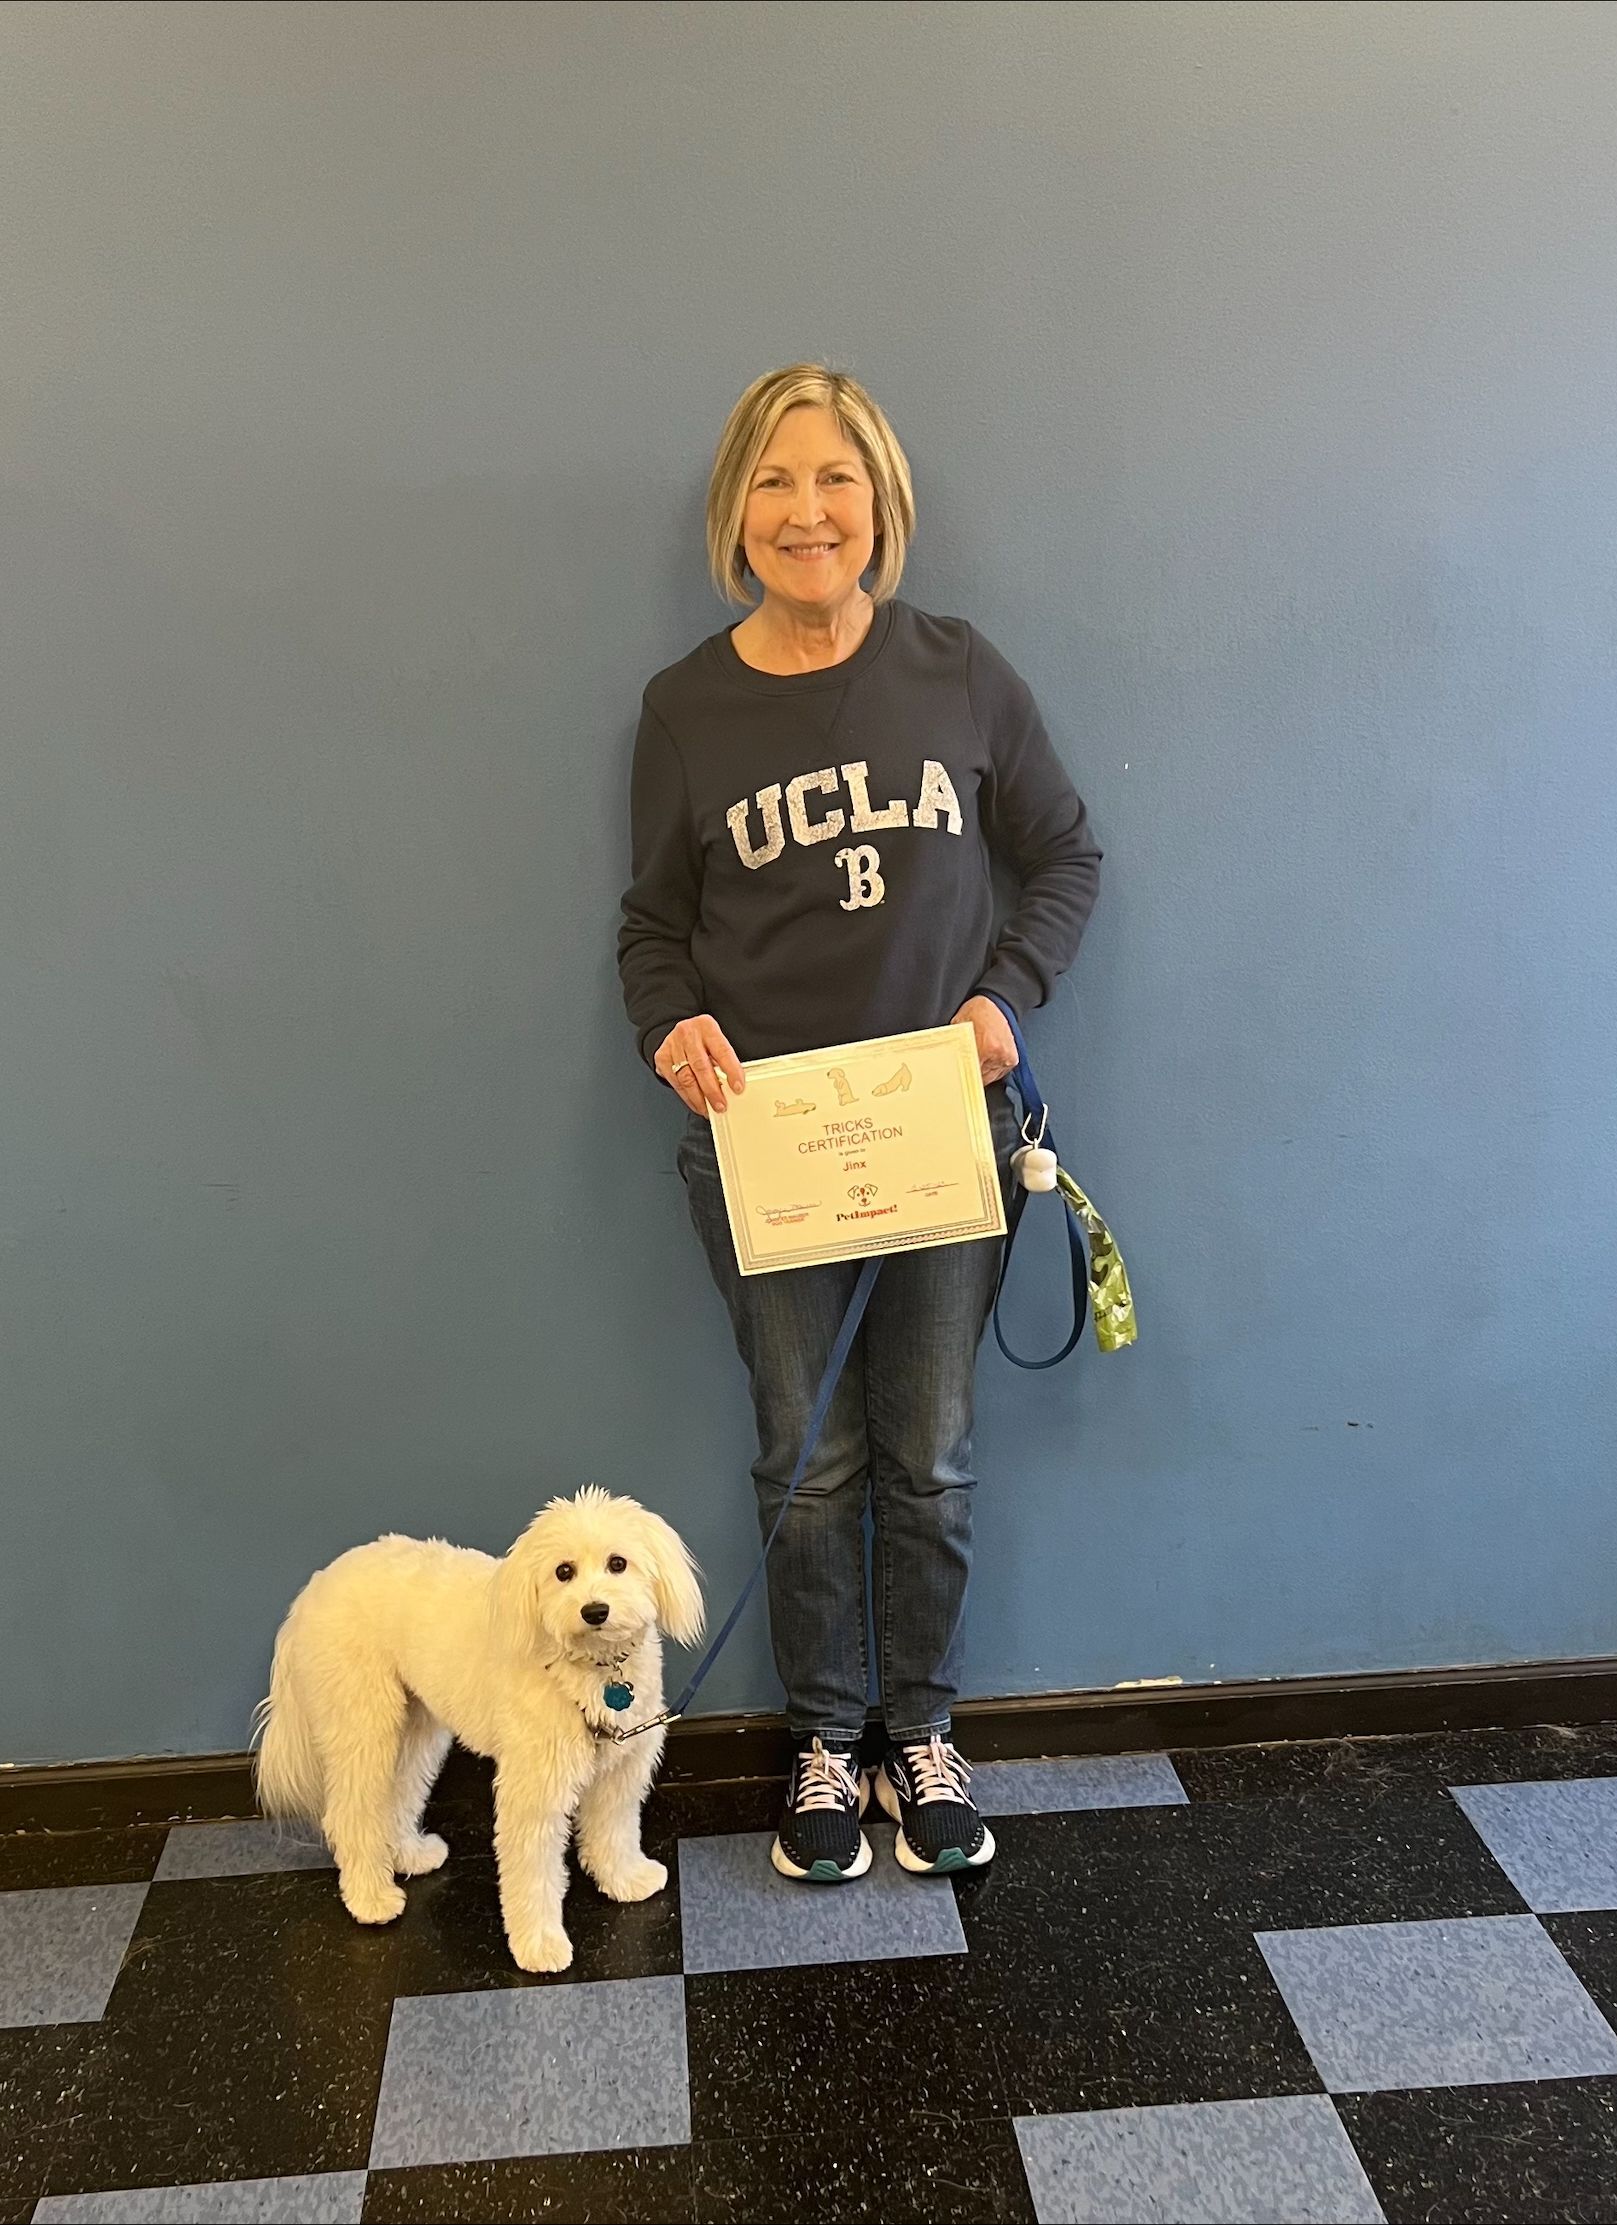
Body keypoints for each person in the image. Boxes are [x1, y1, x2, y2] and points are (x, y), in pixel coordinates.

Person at [616, 364, 1101, 1883]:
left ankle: (922, 1731)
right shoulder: (684, 709)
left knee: (931, 1456)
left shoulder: (959, 672)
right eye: (773, 481)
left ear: (880, 505)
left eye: (834, 478)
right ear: (733, 515)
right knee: (805, 1460)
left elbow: (1065, 856)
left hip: (940, 1134)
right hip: (766, 1150)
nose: (806, 511)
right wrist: (669, 1026)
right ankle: (825, 1742)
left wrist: (1005, 997)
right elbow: (652, 929)